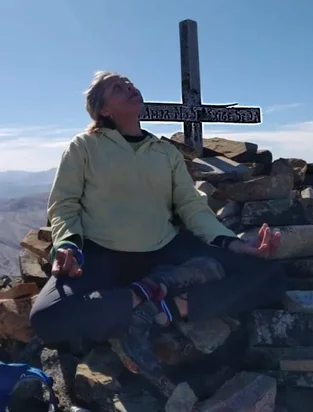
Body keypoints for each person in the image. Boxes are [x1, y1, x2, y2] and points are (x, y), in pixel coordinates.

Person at [30, 71, 287, 398]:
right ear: (104, 110)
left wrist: (233, 244)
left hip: (165, 248)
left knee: (270, 275)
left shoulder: (163, 152)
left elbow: (191, 206)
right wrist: (67, 246)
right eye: (117, 87)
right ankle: (144, 296)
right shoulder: (84, 147)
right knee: (47, 317)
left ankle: (167, 307)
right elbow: (64, 204)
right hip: (102, 253)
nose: (129, 87)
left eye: (129, 83)